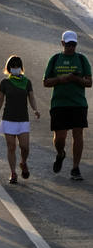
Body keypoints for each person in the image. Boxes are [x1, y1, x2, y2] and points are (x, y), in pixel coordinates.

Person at [43, 30, 91, 180]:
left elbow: (89, 82)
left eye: (73, 44)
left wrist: (76, 79)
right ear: (62, 43)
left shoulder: (82, 59)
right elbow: (46, 82)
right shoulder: (55, 59)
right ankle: (60, 153)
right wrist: (61, 79)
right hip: (59, 104)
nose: (71, 47)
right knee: (60, 138)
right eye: (68, 44)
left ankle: (75, 168)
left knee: (78, 135)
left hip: (78, 104)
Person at [0, 55, 41, 184]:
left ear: (21, 67)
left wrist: (35, 109)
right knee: (11, 147)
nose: (15, 68)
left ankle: (23, 162)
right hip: (8, 119)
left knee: (25, 147)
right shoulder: (5, 83)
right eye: (13, 66)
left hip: (22, 119)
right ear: (9, 68)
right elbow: (0, 100)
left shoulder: (27, 82)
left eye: (17, 66)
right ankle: (13, 173)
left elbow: (31, 97)